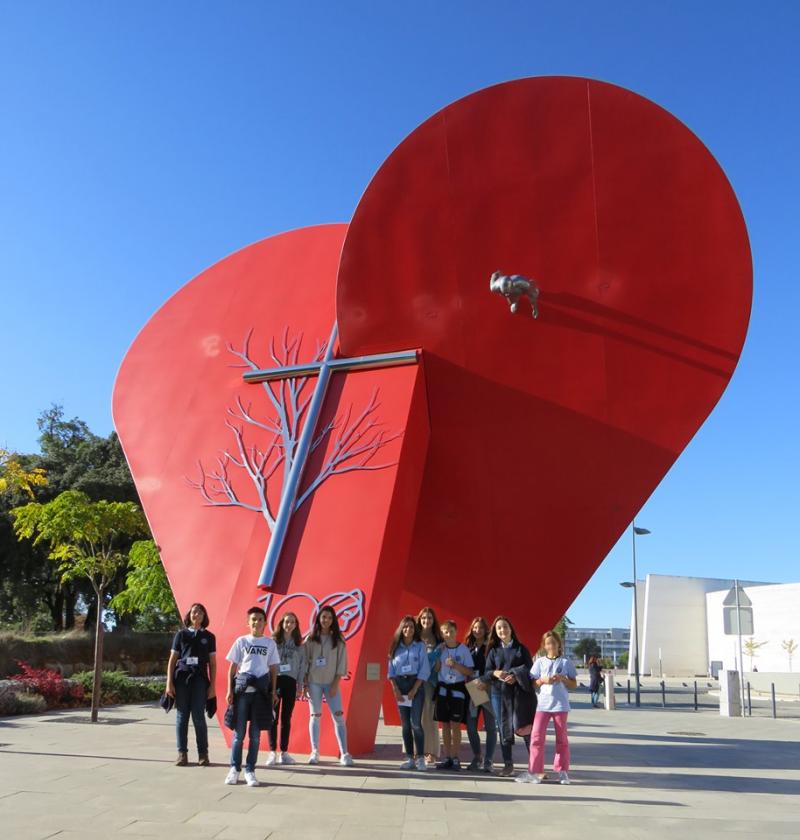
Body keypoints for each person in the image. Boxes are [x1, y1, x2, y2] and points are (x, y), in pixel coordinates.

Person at [224, 606, 280, 787]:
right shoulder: (241, 641)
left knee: (255, 736)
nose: (257, 622)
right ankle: (234, 769)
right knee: (239, 734)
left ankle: (250, 770)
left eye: (260, 619)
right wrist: (229, 691)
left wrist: (273, 692)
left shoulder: (269, 644)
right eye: (253, 619)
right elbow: (233, 667)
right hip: (242, 693)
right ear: (248, 622)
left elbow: (273, 669)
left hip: (260, 695)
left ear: (265, 622)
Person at [517, 630, 578, 785]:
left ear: (559, 644)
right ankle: (535, 772)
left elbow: (574, 684)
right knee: (536, 738)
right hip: (542, 705)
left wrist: (563, 679)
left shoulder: (566, 662)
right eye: (548, 643)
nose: (551, 646)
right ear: (544, 646)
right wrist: (543, 680)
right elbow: (533, 683)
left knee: (562, 739)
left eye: (553, 643)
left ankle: (562, 771)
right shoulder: (539, 662)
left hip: (560, 705)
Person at [165, 602, 217, 767]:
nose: (197, 615)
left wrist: (212, 686)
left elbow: (213, 664)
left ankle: (203, 754)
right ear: (189, 615)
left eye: (201, 613)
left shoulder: (209, 637)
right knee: (182, 717)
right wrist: (169, 683)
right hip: (182, 679)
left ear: (204, 617)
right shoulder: (181, 635)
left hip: (200, 680)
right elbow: (172, 660)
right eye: (194, 612)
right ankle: (182, 754)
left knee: (198, 717)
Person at [484, 616, 535, 777]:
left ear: (511, 628)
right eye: (499, 628)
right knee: (504, 727)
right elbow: (486, 673)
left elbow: (530, 670)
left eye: (505, 627)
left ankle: (535, 765)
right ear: (495, 631)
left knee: (525, 727)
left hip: (519, 694)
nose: (502, 630)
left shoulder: (521, 648)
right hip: (499, 694)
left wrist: (515, 674)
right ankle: (508, 764)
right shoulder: (493, 650)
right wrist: (495, 673)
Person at [305, 605, 353, 766]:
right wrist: (305, 684)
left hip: (331, 683)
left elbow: (342, 663)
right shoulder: (310, 639)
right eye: (324, 617)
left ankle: (345, 753)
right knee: (315, 717)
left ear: (333, 621)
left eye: (330, 618)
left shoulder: (339, 639)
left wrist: (335, 684)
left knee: (338, 717)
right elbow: (305, 662)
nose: (326, 620)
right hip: (314, 683)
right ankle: (315, 751)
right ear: (319, 618)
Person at [387, 615, 431, 770]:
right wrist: (395, 689)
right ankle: (409, 758)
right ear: (401, 628)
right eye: (405, 627)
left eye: (411, 627)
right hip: (400, 685)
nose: (408, 629)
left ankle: (420, 758)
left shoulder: (420, 646)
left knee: (416, 724)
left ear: (415, 629)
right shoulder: (395, 647)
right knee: (405, 725)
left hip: (416, 684)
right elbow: (391, 670)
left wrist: (415, 688)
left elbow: (424, 669)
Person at [265, 611, 307, 767]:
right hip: (275, 681)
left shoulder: (299, 645)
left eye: (292, 622)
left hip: (291, 682)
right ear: (281, 623)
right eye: (287, 621)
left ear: (296, 625)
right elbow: (267, 663)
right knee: (273, 717)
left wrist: (300, 685)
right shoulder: (273, 642)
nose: (289, 625)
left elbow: (303, 666)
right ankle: (271, 752)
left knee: (286, 718)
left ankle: (284, 752)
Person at [434, 619, 474, 771]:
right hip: (443, 689)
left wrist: (456, 665)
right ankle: (447, 757)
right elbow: (437, 669)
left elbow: (469, 671)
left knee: (455, 725)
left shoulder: (463, 649)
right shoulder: (441, 649)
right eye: (445, 632)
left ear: (456, 632)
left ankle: (456, 756)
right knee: (444, 724)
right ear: (442, 634)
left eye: (451, 631)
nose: (448, 634)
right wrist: (437, 660)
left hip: (457, 689)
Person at [463, 616, 497, 772]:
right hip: (473, 689)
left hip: (487, 687)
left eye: (481, 628)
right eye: (475, 627)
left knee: (490, 727)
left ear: (486, 630)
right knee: (471, 727)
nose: (478, 630)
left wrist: (487, 681)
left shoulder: (491, 647)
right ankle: (477, 757)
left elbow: (495, 668)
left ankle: (489, 760)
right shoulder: (467, 647)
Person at [416, 606, 443, 765]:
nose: (426, 621)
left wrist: (439, 660)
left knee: (430, 717)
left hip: (431, 683)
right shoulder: (414, 636)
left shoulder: (438, 639)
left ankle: (431, 752)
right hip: (414, 682)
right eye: (424, 618)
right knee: (416, 717)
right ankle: (415, 751)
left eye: (430, 618)